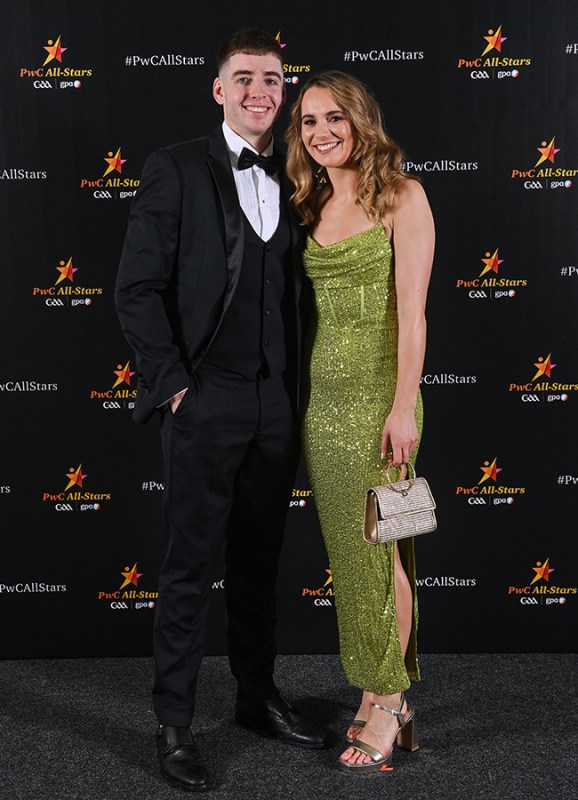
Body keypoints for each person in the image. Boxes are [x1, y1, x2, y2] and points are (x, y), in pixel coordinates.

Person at [115, 29, 326, 793]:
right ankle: (173, 724)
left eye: (271, 79)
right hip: (204, 400)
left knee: (259, 565)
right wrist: (174, 386)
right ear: (218, 89)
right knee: (186, 569)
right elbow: (135, 290)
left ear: (284, 88)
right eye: (243, 79)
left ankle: (255, 699)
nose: (258, 91)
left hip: (277, 404)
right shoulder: (174, 168)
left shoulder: (304, 173)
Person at [285, 71, 434, 775]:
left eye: (333, 118)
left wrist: (403, 406)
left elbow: (414, 314)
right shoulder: (307, 203)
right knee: (353, 557)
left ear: (359, 120)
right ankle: (383, 687)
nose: (321, 132)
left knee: (385, 552)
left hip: (382, 404)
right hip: (325, 405)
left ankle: (387, 697)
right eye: (309, 121)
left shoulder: (404, 195)